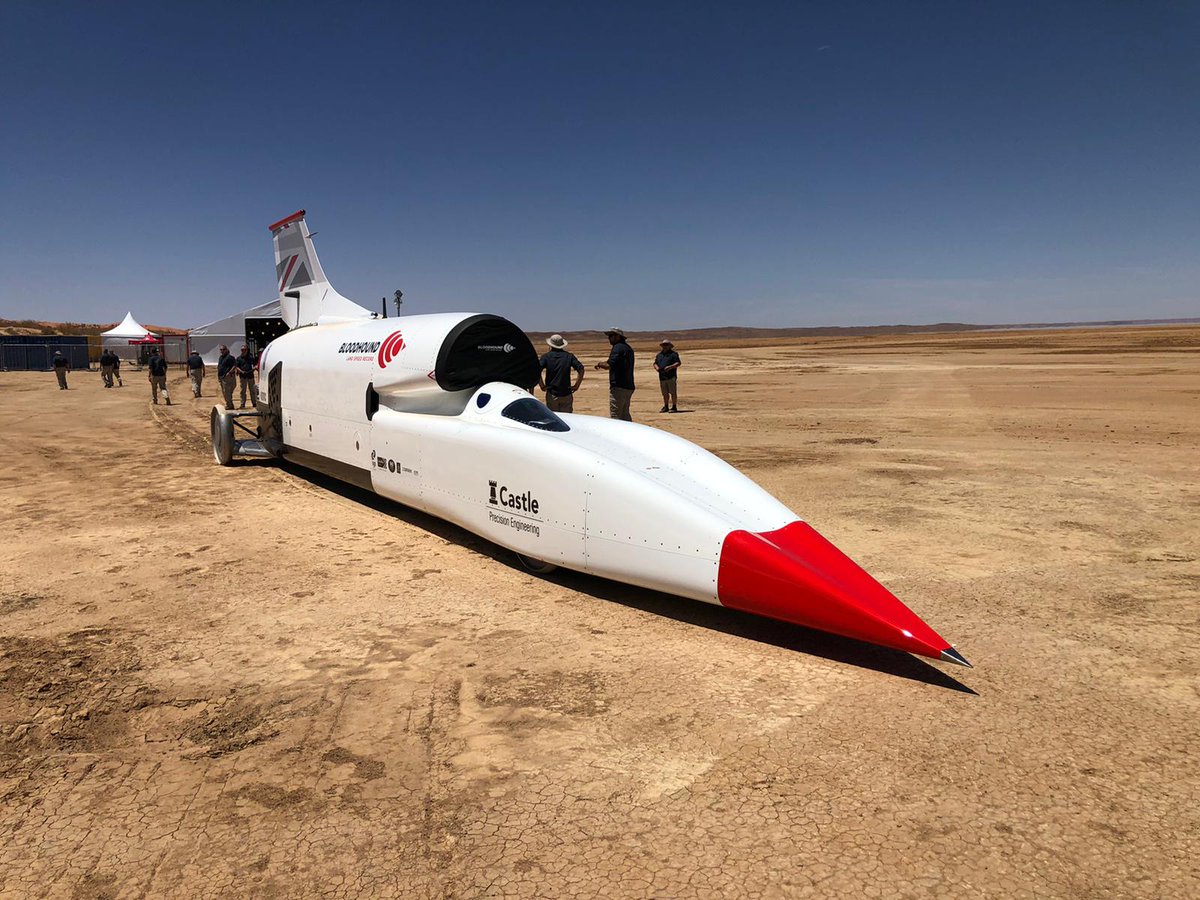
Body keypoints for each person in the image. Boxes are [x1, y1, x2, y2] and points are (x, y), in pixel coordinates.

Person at [594, 327, 635, 421]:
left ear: (618, 336)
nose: (609, 338)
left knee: (616, 416)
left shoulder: (617, 348)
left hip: (619, 386)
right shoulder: (628, 348)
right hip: (628, 385)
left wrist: (600, 364)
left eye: (611, 336)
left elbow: (609, 365)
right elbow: (614, 363)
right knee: (625, 414)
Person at [538, 334, 584, 413]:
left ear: (550, 345)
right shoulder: (569, 356)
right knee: (567, 419)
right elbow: (581, 369)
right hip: (566, 393)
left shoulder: (546, 357)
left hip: (552, 394)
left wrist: (542, 386)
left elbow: (537, 370)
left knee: (555, 419)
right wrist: (577, 385)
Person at [653, 339, 681, 413]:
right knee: (664, 393)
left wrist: (670, 367)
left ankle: (674, 407)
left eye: (666, 345)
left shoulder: (673, 354)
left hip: (671, 376)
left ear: (669, 346)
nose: (665, 346)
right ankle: (666, 406)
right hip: (662, 377)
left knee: (673, 392)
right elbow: (655, 363)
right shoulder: (659, 355)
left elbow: (678, 363)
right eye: (664, 345)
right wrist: (656, 367)